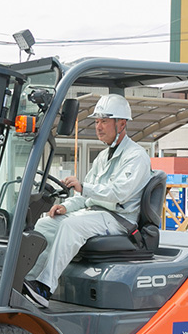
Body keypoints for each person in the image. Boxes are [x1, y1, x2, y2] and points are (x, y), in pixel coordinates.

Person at [23, 94, 152, 308]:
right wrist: (66, 205)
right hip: (97, 214)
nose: (98, 127)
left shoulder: (136, 156)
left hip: (119, 219)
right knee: (44, 224)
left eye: (104, 121)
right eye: (97, 121)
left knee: (72, 225)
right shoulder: (102, 157)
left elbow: (118, 193)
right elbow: (85, 197)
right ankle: (28, 280)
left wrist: (83, 186)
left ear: (121, 123)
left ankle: (44, 288)